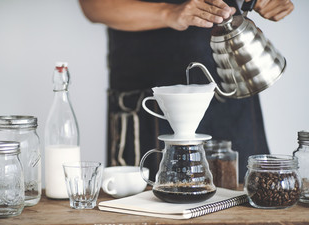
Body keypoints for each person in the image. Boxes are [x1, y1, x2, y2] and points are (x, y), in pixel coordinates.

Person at [78, 0, 294, 182]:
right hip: (149, 103)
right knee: (148, 215)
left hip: (231, 92)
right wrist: (170, 13)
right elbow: (93, 5)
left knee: (247, 207)